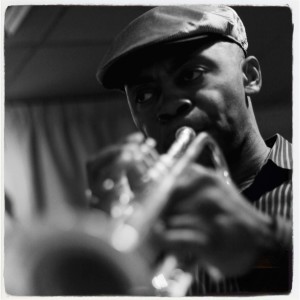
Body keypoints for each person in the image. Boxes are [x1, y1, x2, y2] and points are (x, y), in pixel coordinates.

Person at [87, 5, 292, 295]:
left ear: (250, 77)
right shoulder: (150, 224)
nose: (169, 106)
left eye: (191, 75)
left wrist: (264, 248)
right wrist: (104, 250)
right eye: (144, 95)